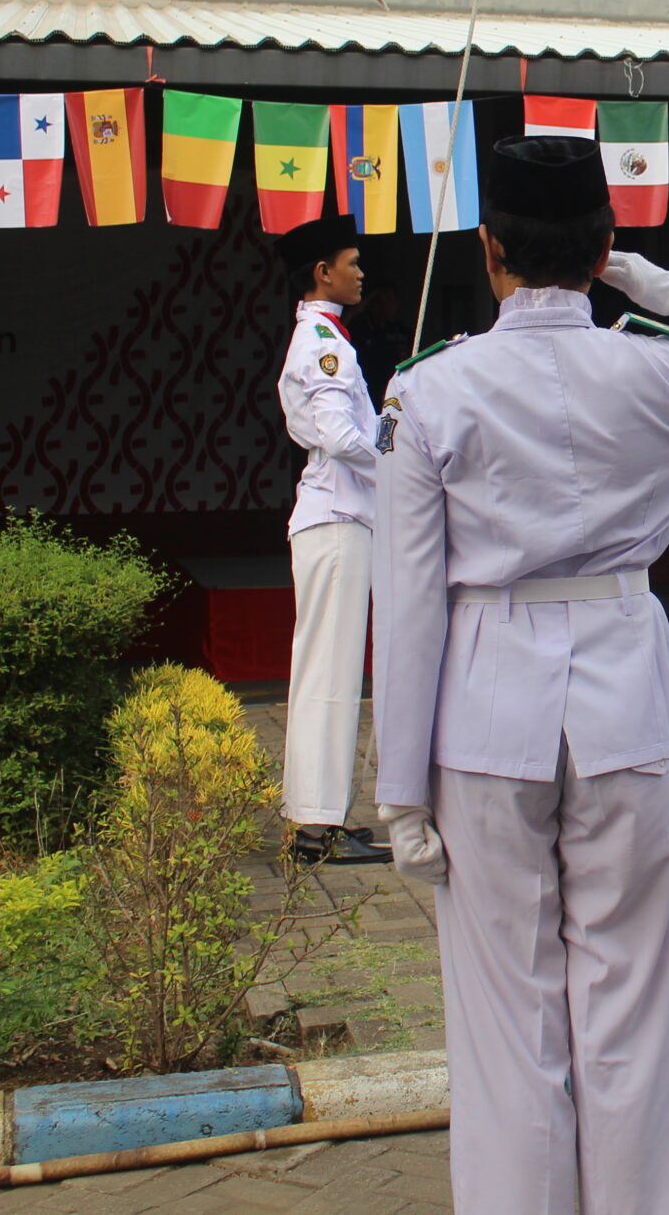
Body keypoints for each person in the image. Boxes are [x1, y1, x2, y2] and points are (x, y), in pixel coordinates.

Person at [370, 138, 669, 1214]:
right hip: (624, 703)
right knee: (629, 1000)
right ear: (604, 250)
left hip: (484, 710)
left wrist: (400, 791)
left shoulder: (432, 389)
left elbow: (403, 604)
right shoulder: (660, 364)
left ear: (489, 249)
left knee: (506, 1016)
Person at [273, 212, 390, 868]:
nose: (361, 271)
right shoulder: (321, 341)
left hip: (340, 517)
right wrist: (400, 451)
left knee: (327, 672)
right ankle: (316, 826)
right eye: (352, 261)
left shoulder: (324, 337)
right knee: (331, 675)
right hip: (337, 517)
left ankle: (317, 817)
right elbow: (339, 435)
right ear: (323, 272)